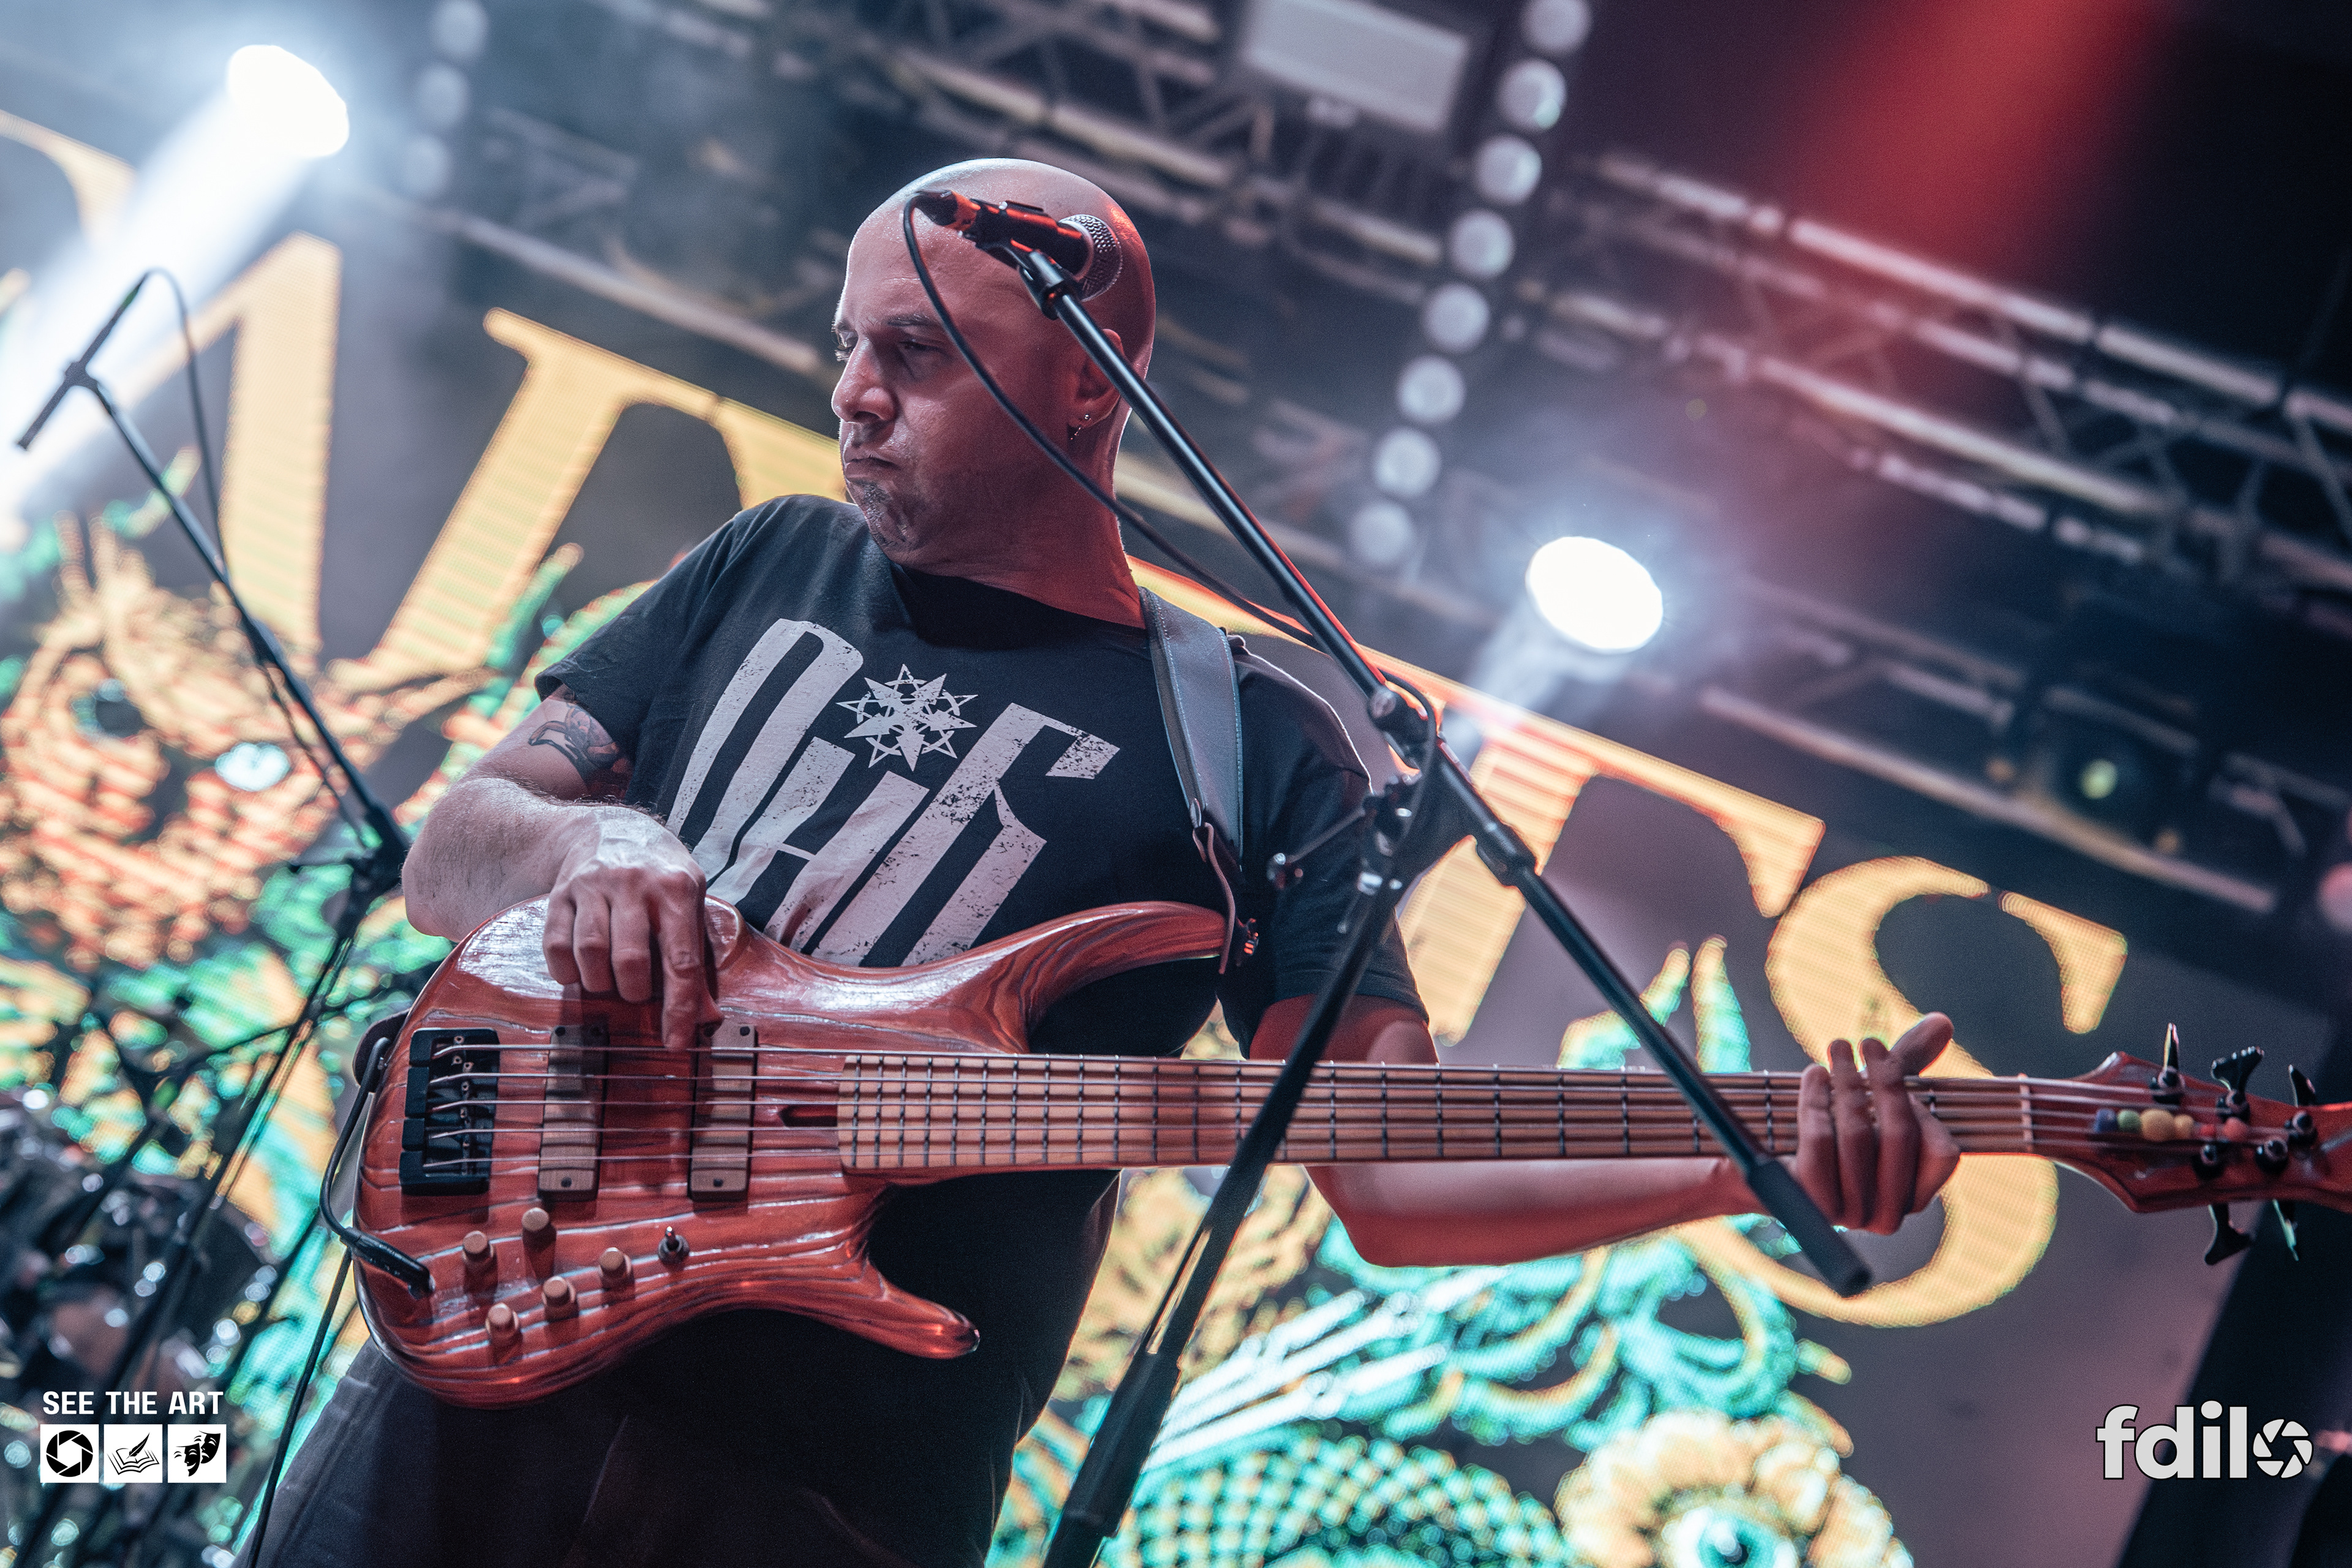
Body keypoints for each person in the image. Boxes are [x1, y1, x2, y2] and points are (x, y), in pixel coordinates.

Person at [247, 159, 1959, 1568]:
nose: (851, 394)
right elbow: (455, 853)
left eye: (914, 353)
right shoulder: (767, 558)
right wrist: (598, 840)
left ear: (1091, 381)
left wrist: (1747, 1167)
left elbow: (1387, 1174)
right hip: (489, 1356)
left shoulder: (1255, 738)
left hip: (830, 1503)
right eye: (846, 344)